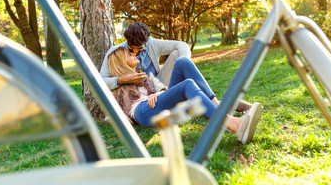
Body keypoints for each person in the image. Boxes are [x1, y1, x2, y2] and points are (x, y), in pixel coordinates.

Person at [108, 47, 262, 144]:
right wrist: (143, 101)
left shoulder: (144, 77)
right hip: (143, 112)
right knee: (187, 85)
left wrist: (158, 93)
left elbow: (162, 90)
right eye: (129, 54)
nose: (135, 54)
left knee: (182, 62)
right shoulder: (119, 88)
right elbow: (118, 112)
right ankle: (234, 125)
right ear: (121, 62)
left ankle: (218, 108)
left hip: (157, 105)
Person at [100, 21, 255, 113]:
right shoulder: (117, 52)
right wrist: (122, 79)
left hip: (159, 85)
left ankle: (215, 105)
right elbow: (101, 81)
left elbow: (181, 45)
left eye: (140, 50)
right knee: (189, 102)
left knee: (179, 58)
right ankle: (226, 105)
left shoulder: (153, 44)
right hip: (139, 96)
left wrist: (184, 65)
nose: (135, 53)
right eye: (132, 49)